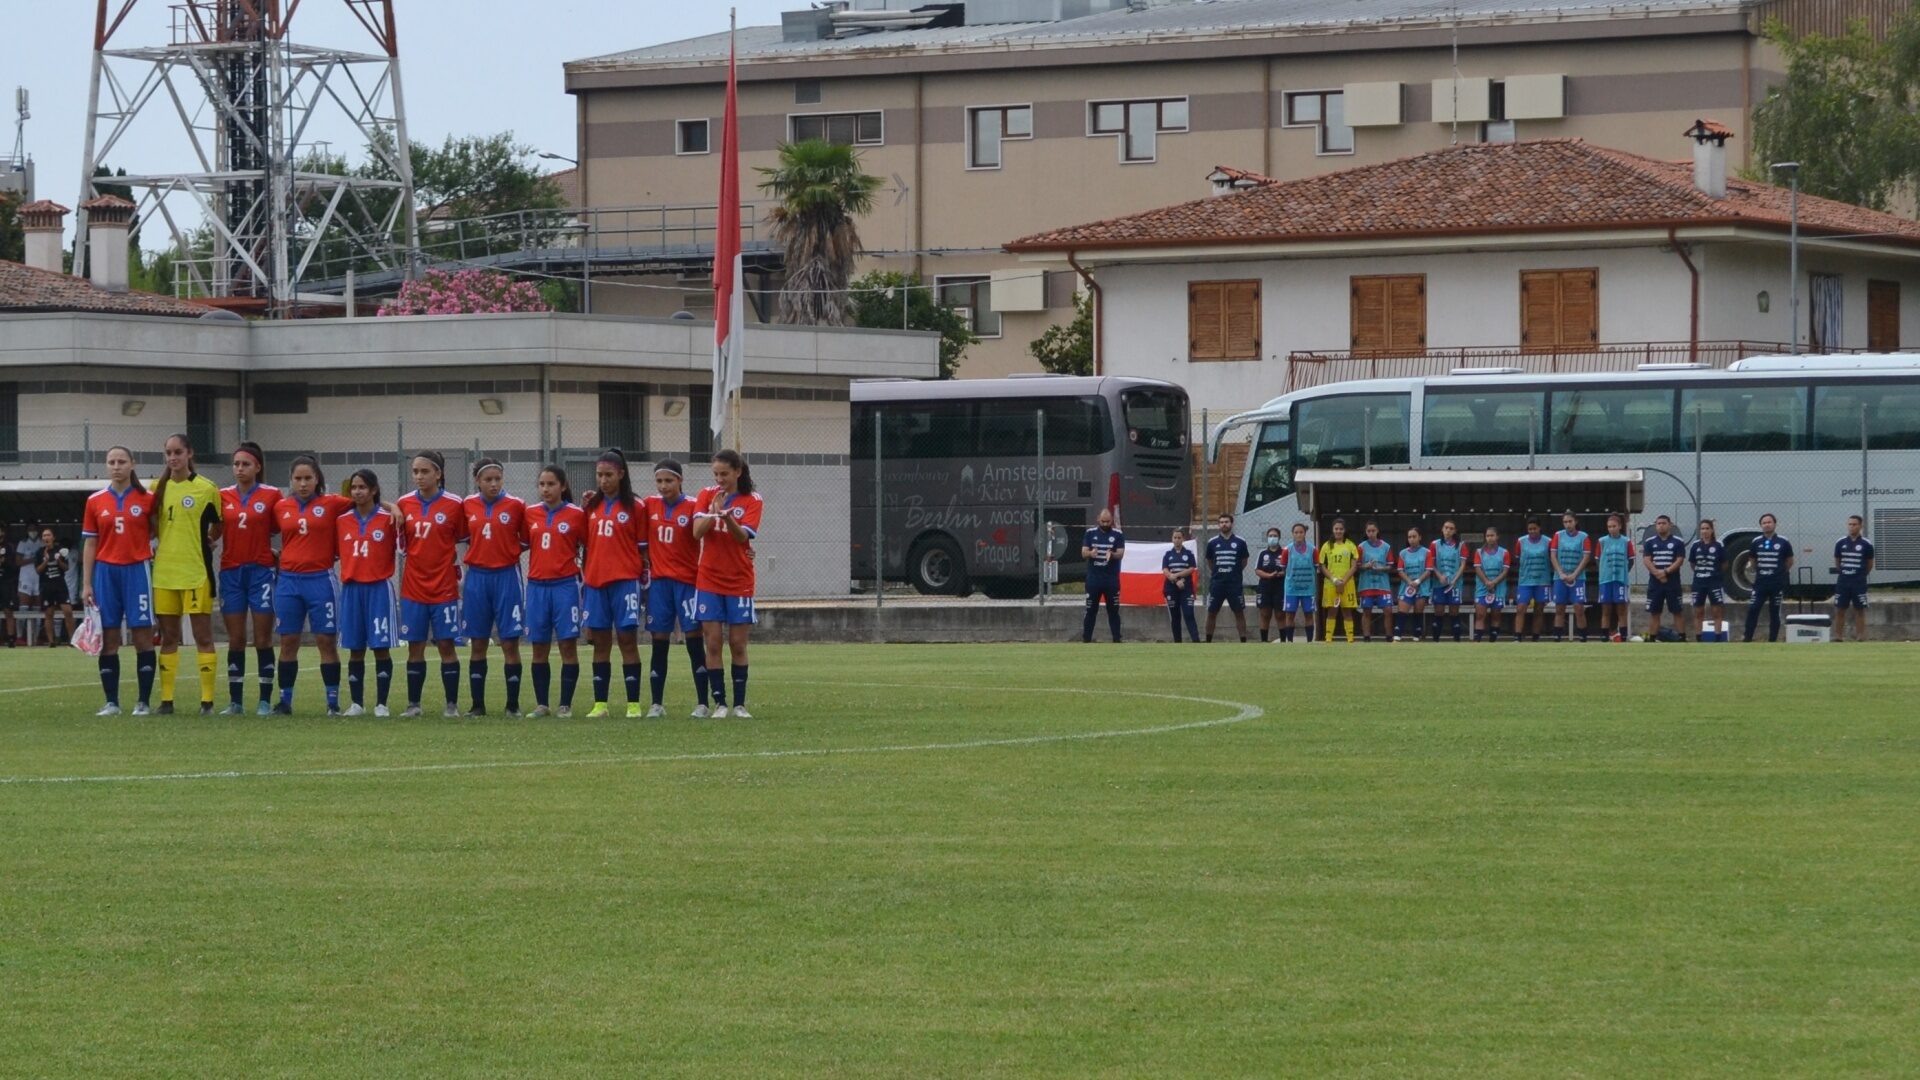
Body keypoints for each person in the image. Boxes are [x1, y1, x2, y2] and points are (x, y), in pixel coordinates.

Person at [150, 433, 224, 715]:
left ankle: (207, 702)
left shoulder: (206, 488)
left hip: (195, 573)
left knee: (202, 637)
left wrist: (208, 539)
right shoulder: (158, 488)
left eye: (178, 452)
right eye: (168, 453)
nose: (172, 457)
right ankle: (166, 701)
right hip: (165, 574)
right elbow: (152, 525)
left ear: (189, 453)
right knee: (169, 637)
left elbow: (218, 525)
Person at [82, 447, 158, 715]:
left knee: (142, 637)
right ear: (106, 466)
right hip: (105, 573)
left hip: (137, 571)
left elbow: (158, 531)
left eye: (121, 461)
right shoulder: (95, 501)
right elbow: (91, 543)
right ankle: (112, 702)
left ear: (132, 464)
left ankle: (143, 702)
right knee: (109, 637)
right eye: (112, 462)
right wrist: (86, 583)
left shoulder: (148, 499)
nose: (116, 466)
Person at [272, 456, 349, 715]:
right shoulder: (281, 507)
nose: (303, 484)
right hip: (288, 581)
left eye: (308, 478)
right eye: (298, 478)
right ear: (291, 480)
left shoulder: (332, 503)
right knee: (288, 641)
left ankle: (332, 703)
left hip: (320, 580)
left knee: (325, 641)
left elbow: (365, 502)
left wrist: (391, 507)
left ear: (317, 479)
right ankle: (284, 702)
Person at [397, 450, 468, 717]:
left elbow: (463, 536)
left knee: (446, 645)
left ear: (438, 473)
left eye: (425, 471)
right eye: (415, 471)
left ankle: (452, 705)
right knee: (415, 646)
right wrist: (392, 507)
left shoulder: (454, 504)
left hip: (444, 588)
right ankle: (413, 705)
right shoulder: (404, 503)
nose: (419, 476)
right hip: (413, 588)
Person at [694, 449, 764, 718]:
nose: (720, 479)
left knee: (737, 643)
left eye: (724, 473)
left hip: (739, 580)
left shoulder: (752, 500)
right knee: (712, 643)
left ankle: (739, 704)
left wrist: (726, 516)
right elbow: (696, 533)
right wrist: (712, 514)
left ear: (738, 472)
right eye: (716, 474)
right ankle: (720, 703)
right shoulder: (705, 495)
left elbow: (742, 538)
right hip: (709, 579)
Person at [582, 449, 648, 718]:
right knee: (600, 643)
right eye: (599, 475)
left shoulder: (636, 506)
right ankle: (601, 704)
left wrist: (644, 578)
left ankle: (633, 703)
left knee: (627, 640)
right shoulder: (591, 506)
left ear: (621, 474)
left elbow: (643, 548)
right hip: (596, 582)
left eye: (609, 475)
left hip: (624, 582)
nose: (603, 480)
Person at [643, 459, 711, 717]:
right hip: (659, 585)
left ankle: (702, 703)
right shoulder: (649, 505)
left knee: (694, 641)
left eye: (668, 480)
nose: (663, 486)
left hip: (688, 584)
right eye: (659, 481)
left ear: (680, 480)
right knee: (659, 641)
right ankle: (656, 704)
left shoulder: (694, 506)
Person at [462, 458, 529, 716]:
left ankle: (512, 705)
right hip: (477, 578)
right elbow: (463, 536)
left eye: (497, 479)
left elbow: (524, 540)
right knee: (478, 642)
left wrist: (504, 553)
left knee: (510, 643)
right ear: (477, 481)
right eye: (487, 479)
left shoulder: (516, 505)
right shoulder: (467, 505)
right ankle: (477, 705)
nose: (493, 484)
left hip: (506, 577)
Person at [219, 442, 282, 714]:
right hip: (231, 572)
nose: (240, 469)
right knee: (235, 639)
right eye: (236, 464)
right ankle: (235, 702)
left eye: (246, 464)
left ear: (258, 467)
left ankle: (265, 700)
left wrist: (281, 552)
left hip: (261, 571)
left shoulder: (272, 495)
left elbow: (285, 526)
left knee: (262, 638)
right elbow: (213, 530)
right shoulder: (220, 495)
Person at [336, 469, 401, 716]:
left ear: (373, 490)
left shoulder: (388, 519)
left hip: (378, 588)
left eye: (363, 487)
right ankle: (356, 704)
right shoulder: (342, 520)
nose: (357, 492)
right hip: (352, 588)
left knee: (380, 646)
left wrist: (391, 506)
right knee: (355, 648)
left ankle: (382, 704)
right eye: (354, 487)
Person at [524, 465, 586, 718]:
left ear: (563, 486)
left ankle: (565, 705)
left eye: (551, 484)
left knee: (567, 646)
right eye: (542, 484)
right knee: (539, 648)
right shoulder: (529, 514)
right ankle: (542, 704)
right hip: (537, 587)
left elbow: (588, 545)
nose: (546, 489)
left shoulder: (576, 514)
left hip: (565, 586)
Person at [1743, 513, 1794, 643]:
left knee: (1775, 612)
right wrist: (1759, 571)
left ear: (1775, 524)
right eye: (1764, 523)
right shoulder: (1756, 541)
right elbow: (1752, 559)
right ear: (1761, 525)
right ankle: (1747, 638)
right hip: (1760, 583)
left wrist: (1779, 573)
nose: (1767, 524)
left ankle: (1772, 641)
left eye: (1769, 522)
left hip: (1776, 583)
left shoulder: (1783, 541)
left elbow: (1789, 561)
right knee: (1753, 609)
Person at [1203, 513, 1250, 643]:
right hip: (1217, 584)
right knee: (1212, 612)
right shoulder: (1212, 542)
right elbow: (1210, 562)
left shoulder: (1240, 541)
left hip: (1234, 584)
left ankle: (1243, 641)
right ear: (1219, 525)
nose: (1224, 524)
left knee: (1239, 612)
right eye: (1222, 522)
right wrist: (1219, 572)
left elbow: (1244, 561)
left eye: (1227, 522)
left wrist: (1234, 572)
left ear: (1231, 524)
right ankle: (1208, 641)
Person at [1640, 515, 1688, 642]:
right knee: (1654, 612)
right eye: (1658, 523)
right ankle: (1652, 639)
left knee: (1677, 611)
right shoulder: (1650, 542)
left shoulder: (1678, 541)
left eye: (1663, 523)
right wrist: (1657, 573)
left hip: (1672, 582)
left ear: (1670, 525)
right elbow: (1646, 560)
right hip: (1655, 583)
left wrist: (1666, 572)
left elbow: (1680, 560)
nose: (1661, 525)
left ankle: (1682, 638)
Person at [1080, 508, 1124, 644]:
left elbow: (1121, 553)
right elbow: (1083, 552)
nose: (1105, 524)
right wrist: (1091, 553)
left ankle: (1117, 639)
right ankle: (1086, 639)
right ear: (1098, 519)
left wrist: (1112, 555)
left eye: (1108, 522)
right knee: (1090, 610)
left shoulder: (1118, 534)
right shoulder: (1090, 533)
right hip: (1094, 580)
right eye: (1103, 521)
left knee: (1113, 611)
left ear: (1112, 521)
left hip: (1111, 580)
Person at [1550, 511, 1593, 643]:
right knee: (1559, 607)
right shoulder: (1558, 535)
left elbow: (1586, 557)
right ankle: (1557, 637)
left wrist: (1574, 574)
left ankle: (1583, 637)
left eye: (1570, 521)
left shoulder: (1583, 537)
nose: (1568, 524)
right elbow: (1553, 556)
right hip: (1560, 578)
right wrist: (1561, 573)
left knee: (1579, 607)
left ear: (1575, 521)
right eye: (1565, 522)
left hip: (1578, 578)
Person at [1833, 514, 1874, 643]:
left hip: (1859, 581)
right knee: (1840, 609)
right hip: (1843, 581)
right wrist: (1844, 572)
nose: (1852, 527)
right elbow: (1837, 561)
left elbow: (1869, 563)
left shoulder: (1866, 544)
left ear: (1860, 526)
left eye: (1854, 524)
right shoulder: (1840, 542)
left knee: (1860, 609)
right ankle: (1838, 636)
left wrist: (1861, 574)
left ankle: (1860, 636)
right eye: (1850, 524)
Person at [1317, 518, 1359, 643]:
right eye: (1336, 529)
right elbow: (1322, 565)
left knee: (1347, 610)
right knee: (1332, 610)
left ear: (1344, 530)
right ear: (1333, 530)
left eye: (1341, 529)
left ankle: (1350, 638)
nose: (1338, 531)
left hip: (1347, 583)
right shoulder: (1327, 545)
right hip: (1331, 584)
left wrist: (1343, 581)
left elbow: (1354, 566)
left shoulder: (1350, 545)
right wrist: (1334, 579)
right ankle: (1328, 638)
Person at [1595, 514, 1635, 642]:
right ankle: (1604, 637)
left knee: (1621, 610)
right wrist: (1604, 572)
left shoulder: (1626, 541)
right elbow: (1597, 559)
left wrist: (1623, 572)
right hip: (1605, 581)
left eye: (1614, 526)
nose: (1611, 529)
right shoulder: (1602, 541)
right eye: (1609, 526)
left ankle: (1623, 637)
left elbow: (1631, 560)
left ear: (1620, 526)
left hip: (1620, 580)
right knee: (1606, 611)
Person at [1513, 518, 1553, 642]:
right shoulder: (1521, 541)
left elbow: (1553, 559)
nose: (1532, 531)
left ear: (1539, 528)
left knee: (1539, 610)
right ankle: (1518, 637)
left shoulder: (1548, 542)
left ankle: (1535, 637)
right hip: (1525, 581)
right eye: (1530, 529)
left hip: (1542, 581)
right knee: (1521, 608)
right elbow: (1518, 557)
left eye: (1534, 528)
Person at [1355, 521, 1395, 643]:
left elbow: (1390, 566)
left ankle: (1389, 636)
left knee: (1388, 610)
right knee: (1367, 611)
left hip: (1383, 585)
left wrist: (1381, 568)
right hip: (1366, 585)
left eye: (1373, 531)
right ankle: (1367, 637)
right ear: (1366, 532)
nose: (1371, 533)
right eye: (1368, 531)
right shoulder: (1361, 547)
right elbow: (1356, 566)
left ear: (1377, 531)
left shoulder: (1386, 546)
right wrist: (1366, 566)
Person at [1428, 520, 1468, 642]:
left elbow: (1463, 565)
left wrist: (1455, 579)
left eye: (1451, 528)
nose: (1448, 530)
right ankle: (1435, 641)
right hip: (1438, 583)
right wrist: (1439, 576)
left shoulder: (1461, 545)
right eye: (1446, 527)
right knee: (1438, 611)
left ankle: (1456, 641)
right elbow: (1431, 564)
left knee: (1454, 612)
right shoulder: (1434, 544)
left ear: (1455, 531)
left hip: (1455, 584)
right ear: (1442, 529)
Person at [1688, 519, 1728, 639]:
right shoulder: (1695, 545)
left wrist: (1714, 573)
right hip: (1699, 583)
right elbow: (1692, 564)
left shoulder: (1718, 545)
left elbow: (1725, 564)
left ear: (1711, 530)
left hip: (1714, 583)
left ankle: (1717, 638)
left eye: (1707, 528)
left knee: (1717, 611)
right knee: (1698, 612)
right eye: (1702, 529)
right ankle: (1699, 638)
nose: (1704, 531)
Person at [1278, 522, 1317, 643]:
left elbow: (1316, 567)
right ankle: (1290, 641)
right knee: (1290, 614)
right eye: (1296, 532)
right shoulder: (1287, 550)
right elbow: (1284, 567)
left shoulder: (1313, 549)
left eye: (1301, 532)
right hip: (1292, 588)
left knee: (1309, 614)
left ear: (1305, 533)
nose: (1299, 534)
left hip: (1308, 588)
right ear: (1292, 534)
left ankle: (1310, 641)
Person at [35, 530, 75, 646]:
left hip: (60, 585)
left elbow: (66, 567)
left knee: (68, 611)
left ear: (53, 537)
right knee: (49, 614)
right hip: (46, 586)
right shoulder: (39, 552)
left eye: (48, 535)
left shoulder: (60, 550)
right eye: (44, 535)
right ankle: (51, 641)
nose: (46, 537)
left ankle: (72, 640)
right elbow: (38, 570)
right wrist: (46, 560)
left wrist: (58, 561)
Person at [1474, 526, 1511, 642]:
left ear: (1497, 536)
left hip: (1498, 588)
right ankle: (1477, 640)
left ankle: (1493, 641)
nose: (1490, 538)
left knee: (1496, 615)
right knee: (1480, 615)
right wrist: (1486, 581)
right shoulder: (1479, 552)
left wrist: (1494, 582)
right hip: (1482, 588)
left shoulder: (1504, 552)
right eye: (1487, 536)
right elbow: (1477, 568)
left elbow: (1505, 571)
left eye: (1492, 535)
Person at [1163, 528, 1200, 642]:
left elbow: (1191, 568)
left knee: (1188, 614)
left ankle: (1196, 641)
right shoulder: (1168, 554)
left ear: (1183, 539)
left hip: (1186, 588)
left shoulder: (1189, 553)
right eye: (1175, 538)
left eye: (1179, 538)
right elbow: (1165, 570)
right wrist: (1174, 579)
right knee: (1175, 617)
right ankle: (1177, 642)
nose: (1177, 540)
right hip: (1171, 588)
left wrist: (1178, 576)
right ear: (1172, 539)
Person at [1396, 527, 1431, 642]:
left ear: (1420, 537)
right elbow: (1400, 570)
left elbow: (1428, 570)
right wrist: (1409, 582)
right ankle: (1397, 636)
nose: (1411, 539)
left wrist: (1418, 581)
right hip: (1407, 586)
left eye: (1414, 536)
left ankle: (1416, 636)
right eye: (1409, 537)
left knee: (1418, 612)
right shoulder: (1403, 553)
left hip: (1421, 587)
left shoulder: (1427, 552)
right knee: (1402, 611)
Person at [12, 525, 42, 645]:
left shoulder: (42, 543)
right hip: (25, 577)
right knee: (23, 608)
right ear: (27, 531)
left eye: (34, 529)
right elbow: (18, 561)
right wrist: (33, 560)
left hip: (38, 577)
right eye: (30, 530)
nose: (32, 532)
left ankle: (36, 637)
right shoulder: (23, 543)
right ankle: (19, 636)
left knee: (37, 609)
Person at [1253, 527, 1284, 642]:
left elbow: (1288, 569)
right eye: (1270, 536)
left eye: (1275, 536)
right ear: (1267, 538)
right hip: (1265, 587)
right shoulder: (1262, 553)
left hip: (1280, 587)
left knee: (1280, 614)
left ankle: (1283, 640)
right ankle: (1264, 641)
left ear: (1279, 537)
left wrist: (1281, 573)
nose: (1272, 538)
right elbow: (1257, 570)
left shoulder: (1284, 552)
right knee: (1265, 614)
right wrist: (1268, 576)